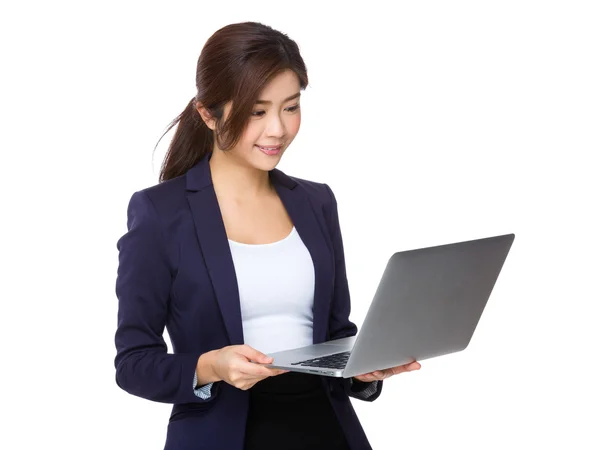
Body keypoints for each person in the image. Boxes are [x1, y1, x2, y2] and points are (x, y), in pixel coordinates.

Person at [114, 21, 421, 450]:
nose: (277, 129)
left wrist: (364, 364)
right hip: (223, 434)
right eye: (257, 112)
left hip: (326, 429)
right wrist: (211, 366)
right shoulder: (160, 213)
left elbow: (335, 332)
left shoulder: (316, 202)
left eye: (290, 107)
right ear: (207, 113)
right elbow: (133, 363)